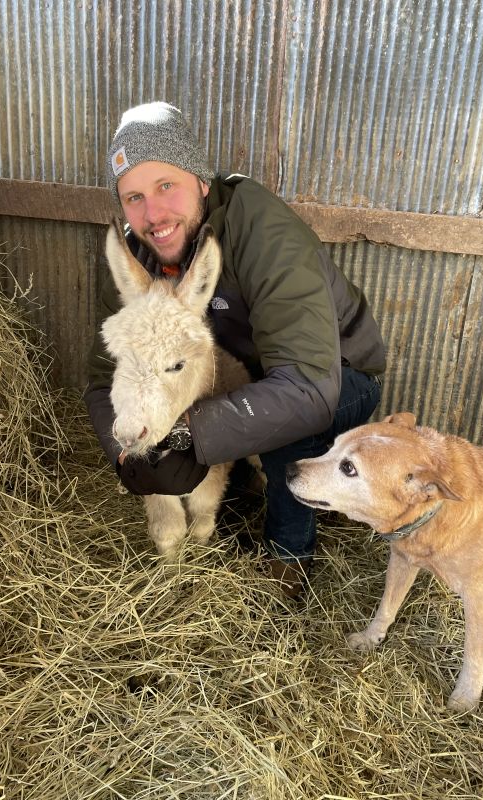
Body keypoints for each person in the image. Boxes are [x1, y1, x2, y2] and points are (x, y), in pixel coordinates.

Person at [85, 101, 386, 598]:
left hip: (332, 374)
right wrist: (125, 452)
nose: (153, 214)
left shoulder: (264, 231)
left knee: (283, 429)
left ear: (202, 181)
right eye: (134, 197)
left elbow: (309, 388)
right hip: (232, 370)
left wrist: (188, 436)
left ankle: (289, 553)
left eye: (166, 187)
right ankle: (235, 485)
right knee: (191, 398)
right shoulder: (129, 252)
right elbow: (104, 375)